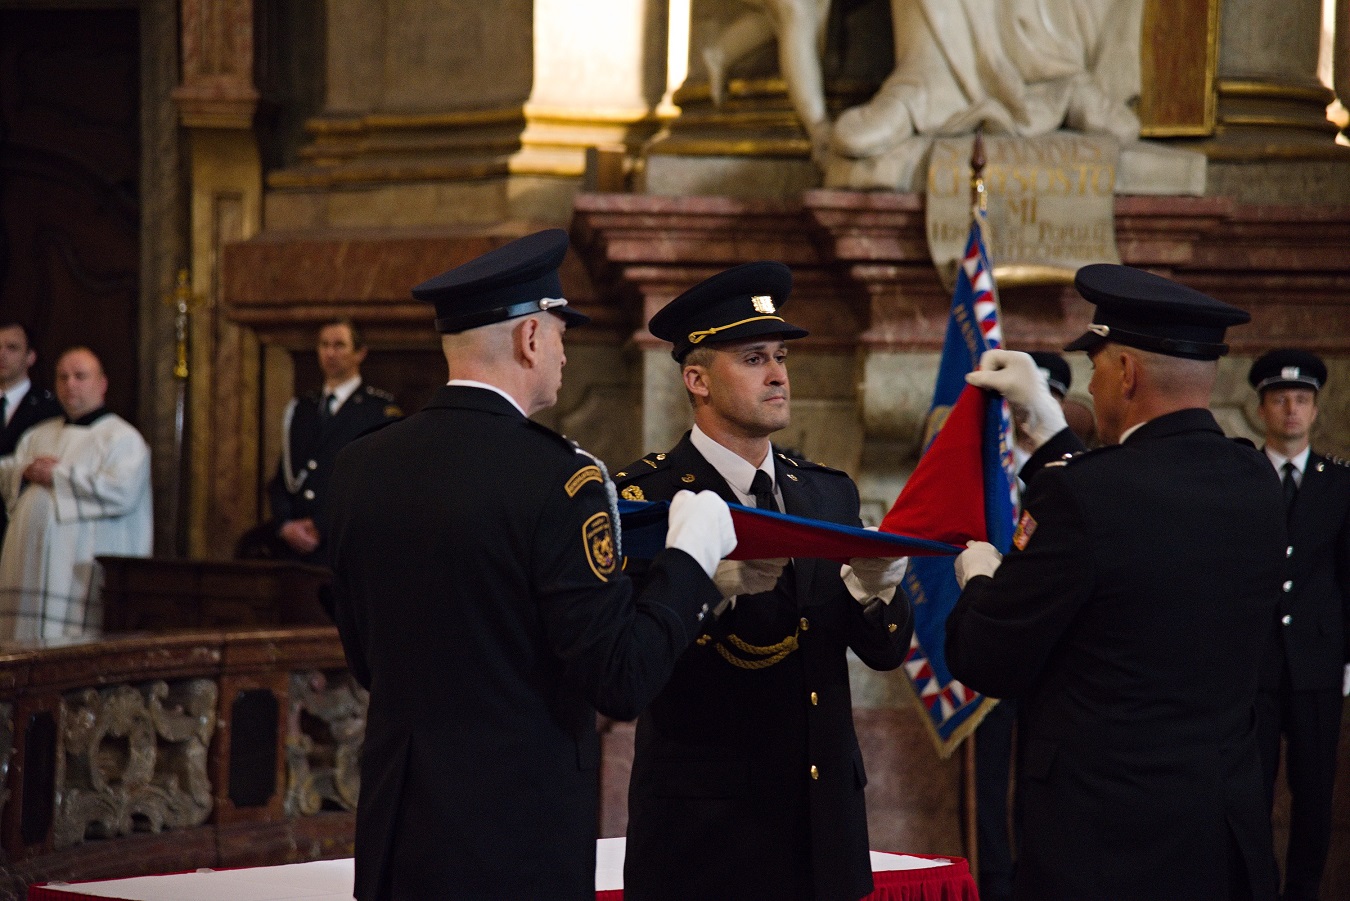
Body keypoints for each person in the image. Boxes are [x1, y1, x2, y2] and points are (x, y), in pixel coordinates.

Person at [325, 229, 739, 901]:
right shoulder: (560, 481)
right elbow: (620, 678)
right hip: (514, 841)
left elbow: (367, 659)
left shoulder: (358, 467)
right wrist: (691, 560)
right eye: (560, 334)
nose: (565, 353)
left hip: (397, 837)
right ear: (529, 338)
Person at [945, 264, 1286, 901]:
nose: (1094, 383)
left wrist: (980, 580)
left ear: (1126, 372)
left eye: (1096, 366)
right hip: (1218, 840)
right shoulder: (1255, 481)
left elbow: (985, 657)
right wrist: (1051, 431)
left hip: (1102, 847)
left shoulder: (1086, 497)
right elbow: (1134, 512)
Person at [614, 261, 914, 901]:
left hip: (823, 831)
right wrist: (709, 591)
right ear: (697, 379)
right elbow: (628, 667)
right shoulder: (643, 500)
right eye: (753, 359)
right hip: (707, 839)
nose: (778, 374)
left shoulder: (826, 494)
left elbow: (882, 651)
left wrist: (879, 590)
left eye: (780, 357)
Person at [1247, 349, 1350, 901]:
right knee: (1250, 791)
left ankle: (1303, 892)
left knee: (1313, 794)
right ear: (1261, 407)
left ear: (1315, 409)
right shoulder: (1241, 480)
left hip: (1317, 664)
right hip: (1254, 666)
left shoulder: (1340, 484)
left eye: (1302, 399)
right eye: (1281, 399)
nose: (1292, 409)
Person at [973, 348, 1073, 901]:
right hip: (998, 643)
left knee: (1047, 775)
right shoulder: (988, 473)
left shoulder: (1076, 476)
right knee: (988, 775)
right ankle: (993, 880)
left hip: (1056, 654)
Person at [0, 347, 151, 640]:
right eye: (63, 377)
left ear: (102, 383)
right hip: (29, 568)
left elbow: (121, 491)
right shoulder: (38, 434)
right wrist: (25, 471)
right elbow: (8, 471)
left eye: (80, 376)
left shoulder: (122, 439)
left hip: (77, 570)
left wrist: (57, 476)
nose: (70, 384)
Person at [256, 319, 400, 563]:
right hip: (293, 549)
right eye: (324, 345)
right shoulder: (303, 408)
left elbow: (380, 483)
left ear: (360, 353)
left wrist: (320, 525)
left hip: (344, 544)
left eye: (339, 345)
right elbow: (285, 476)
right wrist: (285, 524)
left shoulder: (378, 410)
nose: (330, 353)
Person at [0, 322, 63, 557]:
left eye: (12, 348)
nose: (2, 355)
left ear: (30, 357)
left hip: (17, 520)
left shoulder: (48, 407)